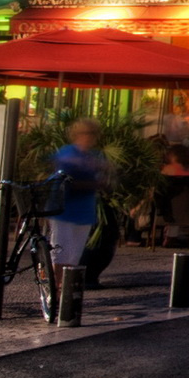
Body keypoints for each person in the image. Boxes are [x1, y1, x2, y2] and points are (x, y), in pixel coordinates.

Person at [47, 118, 113, 277]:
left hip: (84, 211)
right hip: (63, 210)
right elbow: (65, 181)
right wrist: (94, 183)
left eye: (92, 134)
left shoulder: (95, 156)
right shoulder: (67, 153)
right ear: (76, 134)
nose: (89, 137)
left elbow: (106, 180)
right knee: (60, 253)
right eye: (85, 133)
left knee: (74, 256)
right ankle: (54, 290)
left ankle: (65, 292)